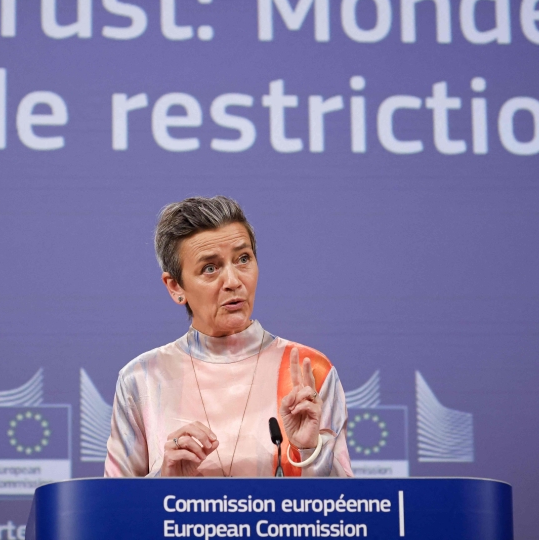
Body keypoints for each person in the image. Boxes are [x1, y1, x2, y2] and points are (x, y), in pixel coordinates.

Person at [104, 196, 353, 477]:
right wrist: (165, 480)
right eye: (210, 268)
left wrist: (311, 451)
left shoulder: (309, 370)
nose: (234, 281)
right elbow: (114, 511)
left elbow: (344, 512)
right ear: (175, 286)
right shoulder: (141, 379)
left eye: (243, 259)